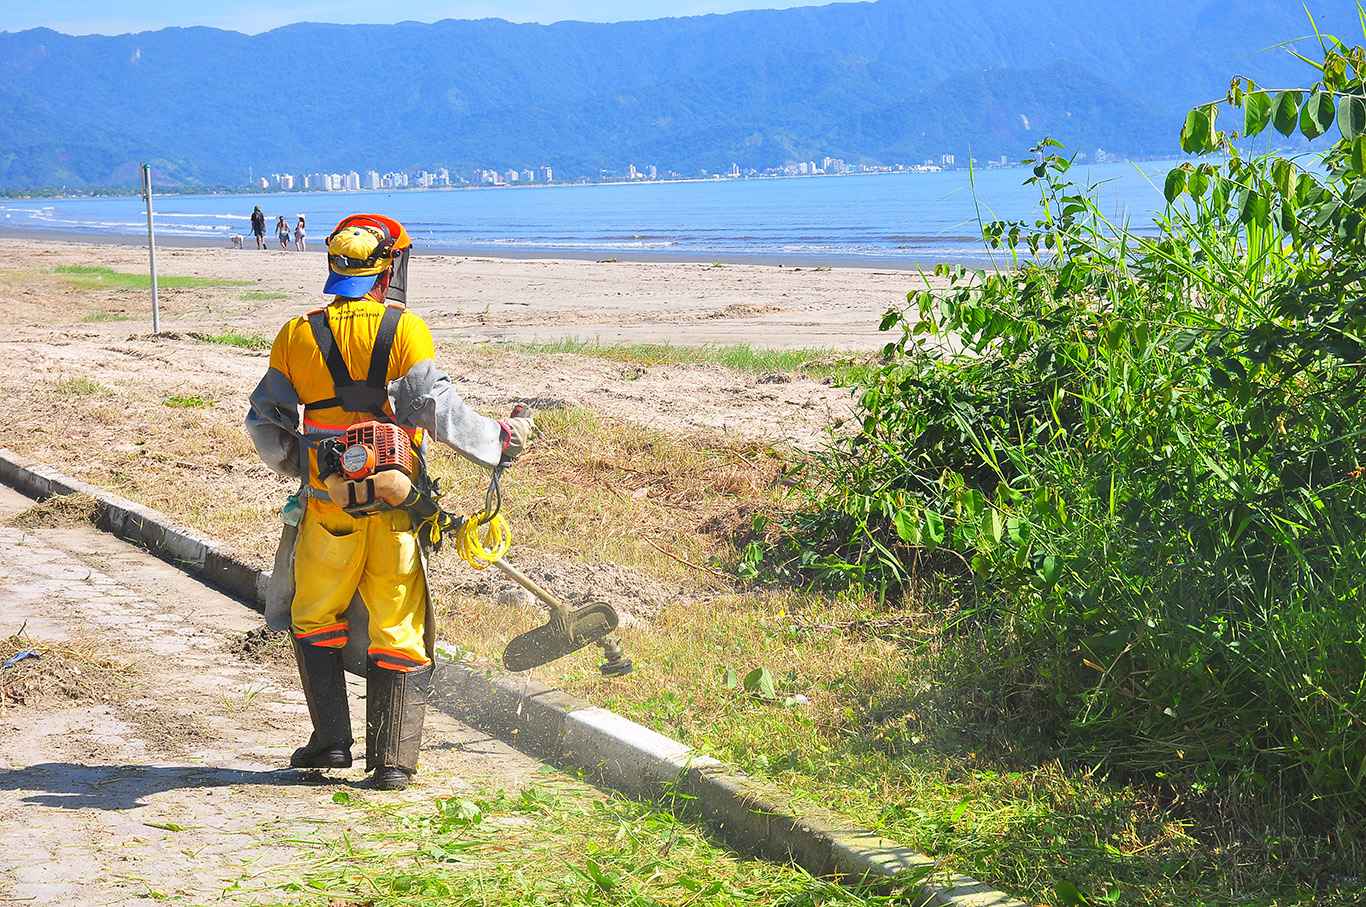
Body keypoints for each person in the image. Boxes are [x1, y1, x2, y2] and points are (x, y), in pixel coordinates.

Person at [244, 213, 534, 790]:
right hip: (398, 507)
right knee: (398, 623)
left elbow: (264, 423)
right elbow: (434, 410)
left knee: (313, 616)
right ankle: (393, 763)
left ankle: (329, 742)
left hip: (328, 510)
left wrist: (308, 469)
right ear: (389, 268)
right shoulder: (405, 330)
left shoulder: (297, 334)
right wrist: (498, 443)